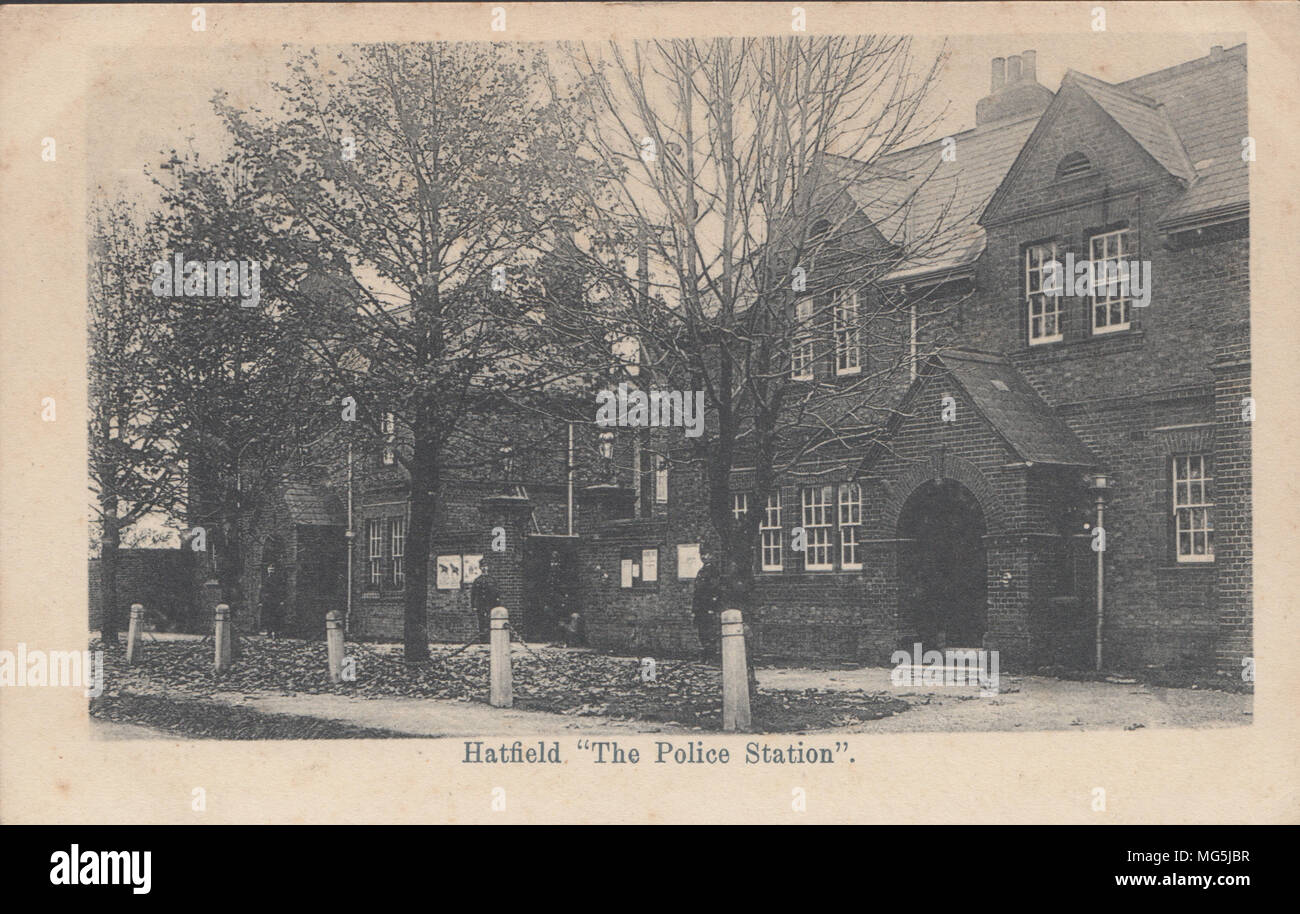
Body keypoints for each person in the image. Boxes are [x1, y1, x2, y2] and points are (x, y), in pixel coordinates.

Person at [692, 546, 722, 663]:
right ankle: (705, 656)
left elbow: (715, 590)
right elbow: (697, 592)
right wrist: (694, 609)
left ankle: (711, 657)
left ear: (712, 555)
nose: (704, 557)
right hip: (700, 608)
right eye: (702, 555)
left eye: (707, 555)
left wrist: (712, 607)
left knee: (710, 632)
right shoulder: (702, 571)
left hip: (708, 607)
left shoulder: (713, 571)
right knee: (702, 632)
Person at [470, 557, 502, 644]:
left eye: (486, 566)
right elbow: (473, 594)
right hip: (481, 605)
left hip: (490, 605)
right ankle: (483, 640)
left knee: (489, 621)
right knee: (481, 622)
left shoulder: (492, 580)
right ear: (480, 568)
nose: (484, 568)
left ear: (488, 568)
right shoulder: (477, 581)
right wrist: (473, 605)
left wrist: (497, 605)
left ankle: (490, 639)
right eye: (482, 566)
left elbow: (497, 594)